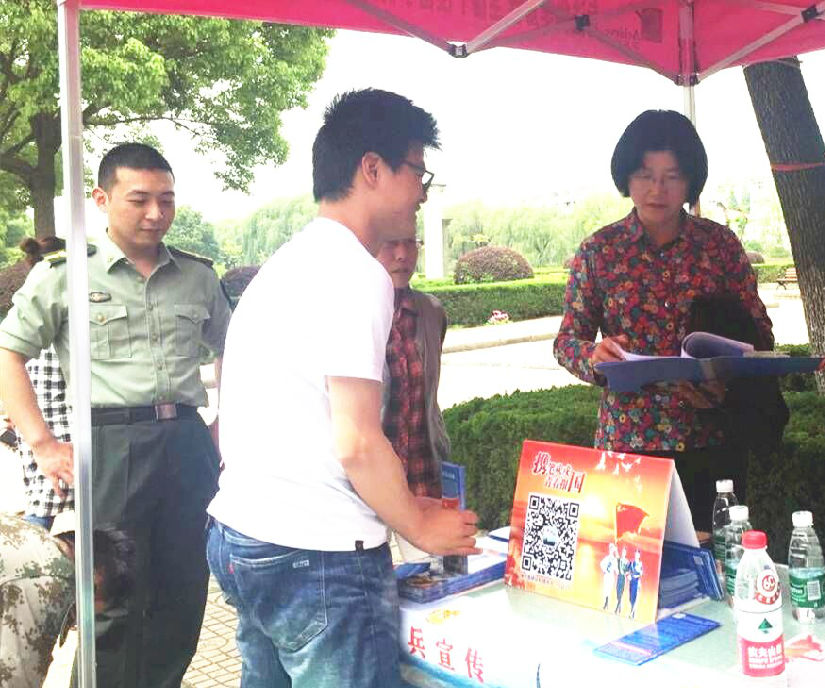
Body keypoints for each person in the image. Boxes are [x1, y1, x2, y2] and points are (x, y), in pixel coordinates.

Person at [206, 88, 479, 688]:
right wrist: (418, 526)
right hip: (317, 557)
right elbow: (356, 441)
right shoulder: (358, 273)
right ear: (372, 169)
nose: (422, 191)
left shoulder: (290, 262)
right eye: (417, 171)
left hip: (243, 536)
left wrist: (407, 504)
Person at [0, 142, 231, 687]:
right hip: (109, 447)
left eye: (166, 200)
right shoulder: (66, 275)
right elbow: (9, 352)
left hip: (187, 445)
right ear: (101, 199)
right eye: (140, 199)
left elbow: (236, 348)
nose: (156, 213)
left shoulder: (197, 276)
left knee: (183, 592)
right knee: (111, 598)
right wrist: (42, 444)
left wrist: (225, 426)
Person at [554, 110, 773, 527]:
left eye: (672, 176)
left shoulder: (719, 246)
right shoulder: (600, 251)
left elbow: (759, 332)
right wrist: (594, 356)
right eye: (645, 175)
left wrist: (724, 379)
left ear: (690, 181)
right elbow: (567, 341)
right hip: (630, 444)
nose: (657, 189)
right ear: (626, 178)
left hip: (713, 439)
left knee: (716, 556)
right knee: (630, 561)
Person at [0, 510, 136, 688]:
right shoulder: (50, 584)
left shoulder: (37, 539)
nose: (76, 622)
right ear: (97, 578)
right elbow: (15, 677)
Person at [376, 230, 449, 499]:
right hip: (370, 480)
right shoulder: (350, 314)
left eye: (410, 243)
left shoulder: (431, 311)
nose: (402, 255)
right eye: (391, 243)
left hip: (424, 472)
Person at [8, 237, 73, 531]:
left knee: (41, 501)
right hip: (64, 432)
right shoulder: (62, 318)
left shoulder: (24, 318)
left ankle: (32, 549)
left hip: (33, 427)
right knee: (54, 501)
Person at [600, 541, 618, 610]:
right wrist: (605, 570)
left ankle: (607, 603)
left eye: (612, 548)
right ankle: (605, 602)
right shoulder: (607, 558)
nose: (611, 549)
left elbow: (616, 568)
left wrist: (618, 572)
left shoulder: (614, 559)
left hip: (611, 576)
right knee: (605, 589)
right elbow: (601, 564)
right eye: (610, 548)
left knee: (609, 589)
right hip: (607, 575)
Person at [614, 544, 630, 615]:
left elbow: (628, 570)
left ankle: (616, 609)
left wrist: (626, 573)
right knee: (617, 592)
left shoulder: (627, 561)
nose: (623, 553)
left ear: (626, 553)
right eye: (623, 552)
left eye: (624, 552)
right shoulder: (620, 560)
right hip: (619, 577)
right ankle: (619, 605)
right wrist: (616, 549)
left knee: (620, 593)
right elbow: (617, 555)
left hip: (623, 578)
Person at [628, 548, 643, 619]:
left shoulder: (640, 564)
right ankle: (632, 611)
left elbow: (641, 573)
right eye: (636, 554)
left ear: (639, 555)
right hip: (632, 581)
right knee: (631, 598)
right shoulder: (631, 563)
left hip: (637, 582)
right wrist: (629, 575)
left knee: (636, 597)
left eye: (638, 554)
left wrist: (637, 575)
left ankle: (632, 613)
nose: (637, 555)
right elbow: (628, 571)